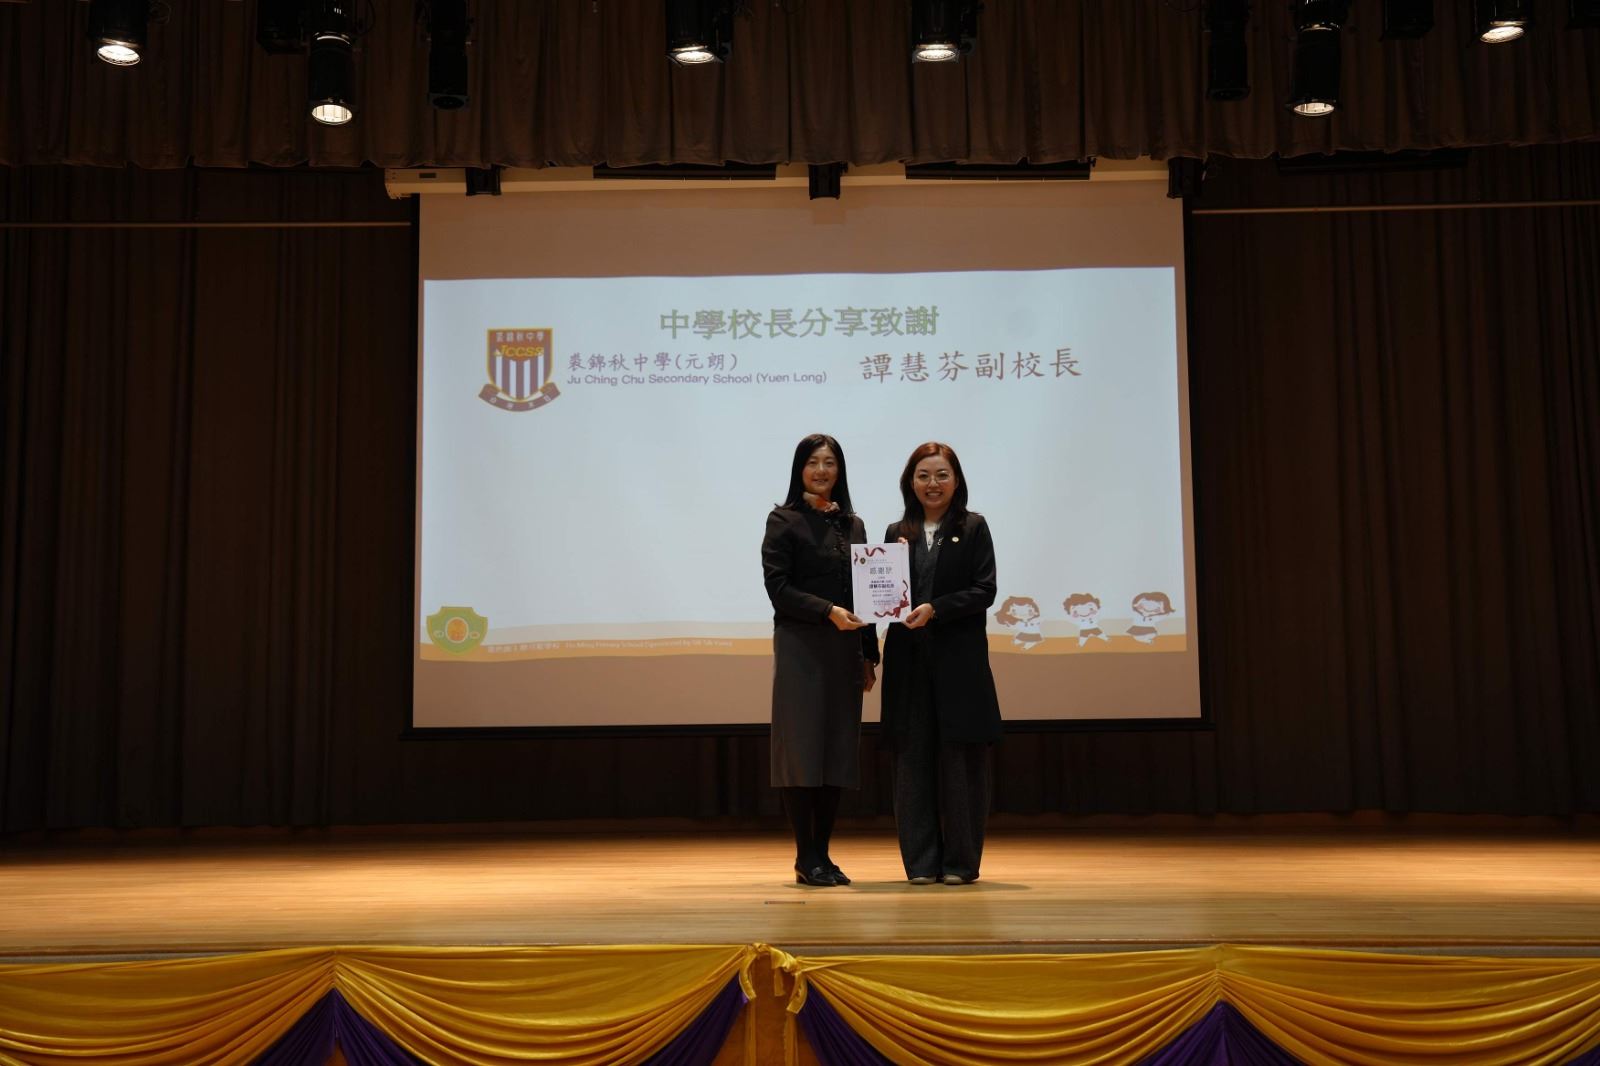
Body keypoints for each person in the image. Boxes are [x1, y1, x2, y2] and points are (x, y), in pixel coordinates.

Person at [879, 441, 1001, 886]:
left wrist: (937, 608)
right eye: (924, 475)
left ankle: (961, 863)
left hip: (958, 663)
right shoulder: (897, 532)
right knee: (911, 763)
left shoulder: (973, 527)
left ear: (957, 480)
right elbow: (883, 592)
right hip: (908, 663)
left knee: (962, 764)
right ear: (910, 482)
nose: (933, 483)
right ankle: (921, 863)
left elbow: (985, 590)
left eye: (942, 475)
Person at [761, 433, 879, 887]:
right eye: (813, 462)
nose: (822, 471)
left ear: (839, 470)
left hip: (846, 650)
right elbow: (779, 588)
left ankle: (824, 855)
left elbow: (867, 595)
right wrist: (827, 611)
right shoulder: (783, 520)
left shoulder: (853, 524)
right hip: (801, 646)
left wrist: (869, 654)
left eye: (830, 463)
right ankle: (805, 855)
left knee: (837, 752)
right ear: (800, 469)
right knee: (802, 751)